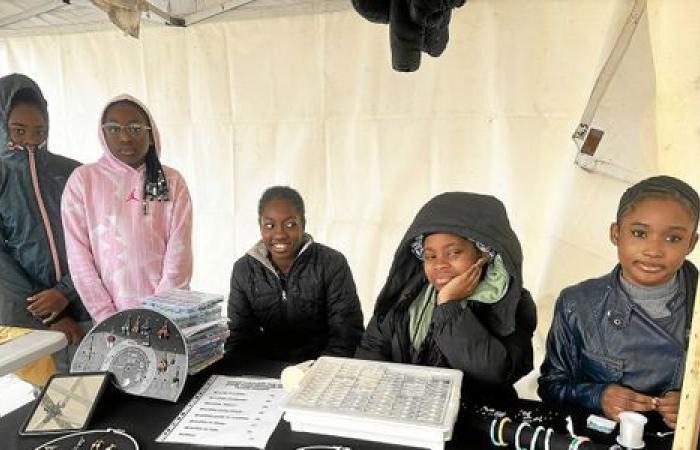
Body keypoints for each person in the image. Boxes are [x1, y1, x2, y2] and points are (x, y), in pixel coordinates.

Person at [538, 175, 699, 429]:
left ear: (691, 243)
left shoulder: (697, 302)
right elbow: (551, 386)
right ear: (616, 233)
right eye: (639, 233)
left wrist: (694, 406)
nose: (653, 250)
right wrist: (598, 396)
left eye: (673, 239)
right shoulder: (578, 304)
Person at [356, 192, 537, 400]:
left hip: (475, 422)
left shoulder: (511, 303)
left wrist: (449, 306)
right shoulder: (406, 299)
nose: (439, 264)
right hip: (407, 414)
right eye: (430, 256)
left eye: (453, 253)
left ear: (484, 253)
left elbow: (496, 371)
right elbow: (369, 356)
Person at [61, 95, 193, 323]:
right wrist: (105, 315)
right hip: (110, 318)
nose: (124, 137)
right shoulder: (84, 181)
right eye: (113, 129)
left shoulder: (170, 181)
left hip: (168, 316)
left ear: (150, 134)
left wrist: (159, 313)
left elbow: (179, 253)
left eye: (134, 128)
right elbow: (78, 256)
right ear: (102, 134)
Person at [0, 73, 91, 373]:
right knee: (56, 400)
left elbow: (96, 242)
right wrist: (49, 314)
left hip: (86, 301)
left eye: (39, 131)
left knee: (96, 385)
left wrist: (66, 292)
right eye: (19, 130)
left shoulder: (72, 172)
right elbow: (3, 266)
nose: (30, 140)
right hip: (30, 318)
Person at [227, 186, 364, 363]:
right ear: (260, 226)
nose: (280, 234)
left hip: (321, 371)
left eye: (290, 224)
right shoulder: (244, 270)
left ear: (303, 224)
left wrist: (314, 374)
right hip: (265, 374)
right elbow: (238, 338)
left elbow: (347, 335)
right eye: (270, 225)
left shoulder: (331, 263)